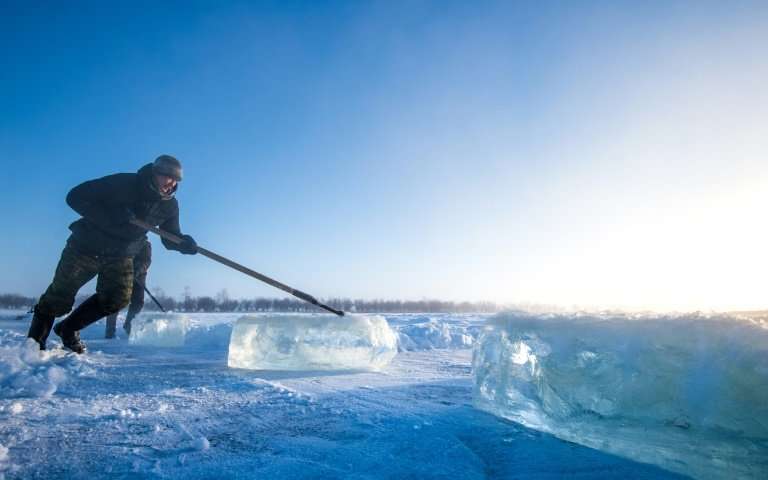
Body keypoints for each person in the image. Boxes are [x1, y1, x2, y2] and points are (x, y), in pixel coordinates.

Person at [27, 155, 198, 353]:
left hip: (121, 255)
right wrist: (110, 215)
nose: (172, 183)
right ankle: (34, 345)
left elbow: (170, 237)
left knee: (116, 298)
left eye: (176, 180)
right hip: (85, 247)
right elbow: (75, 196)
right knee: (59, 296)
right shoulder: (124, 183)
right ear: (154, 173)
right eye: (168, 177)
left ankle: (68, 329)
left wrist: (184, 244)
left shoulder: (169, 205)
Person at [104, 240, 151, 338]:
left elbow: (146, 261)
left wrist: (138, 270)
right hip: (121, 274)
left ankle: (129, 325)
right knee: (115, 301)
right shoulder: (121, 239)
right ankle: (110, 329)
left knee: (138, 302)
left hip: (139, 277)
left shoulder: (145, 244)